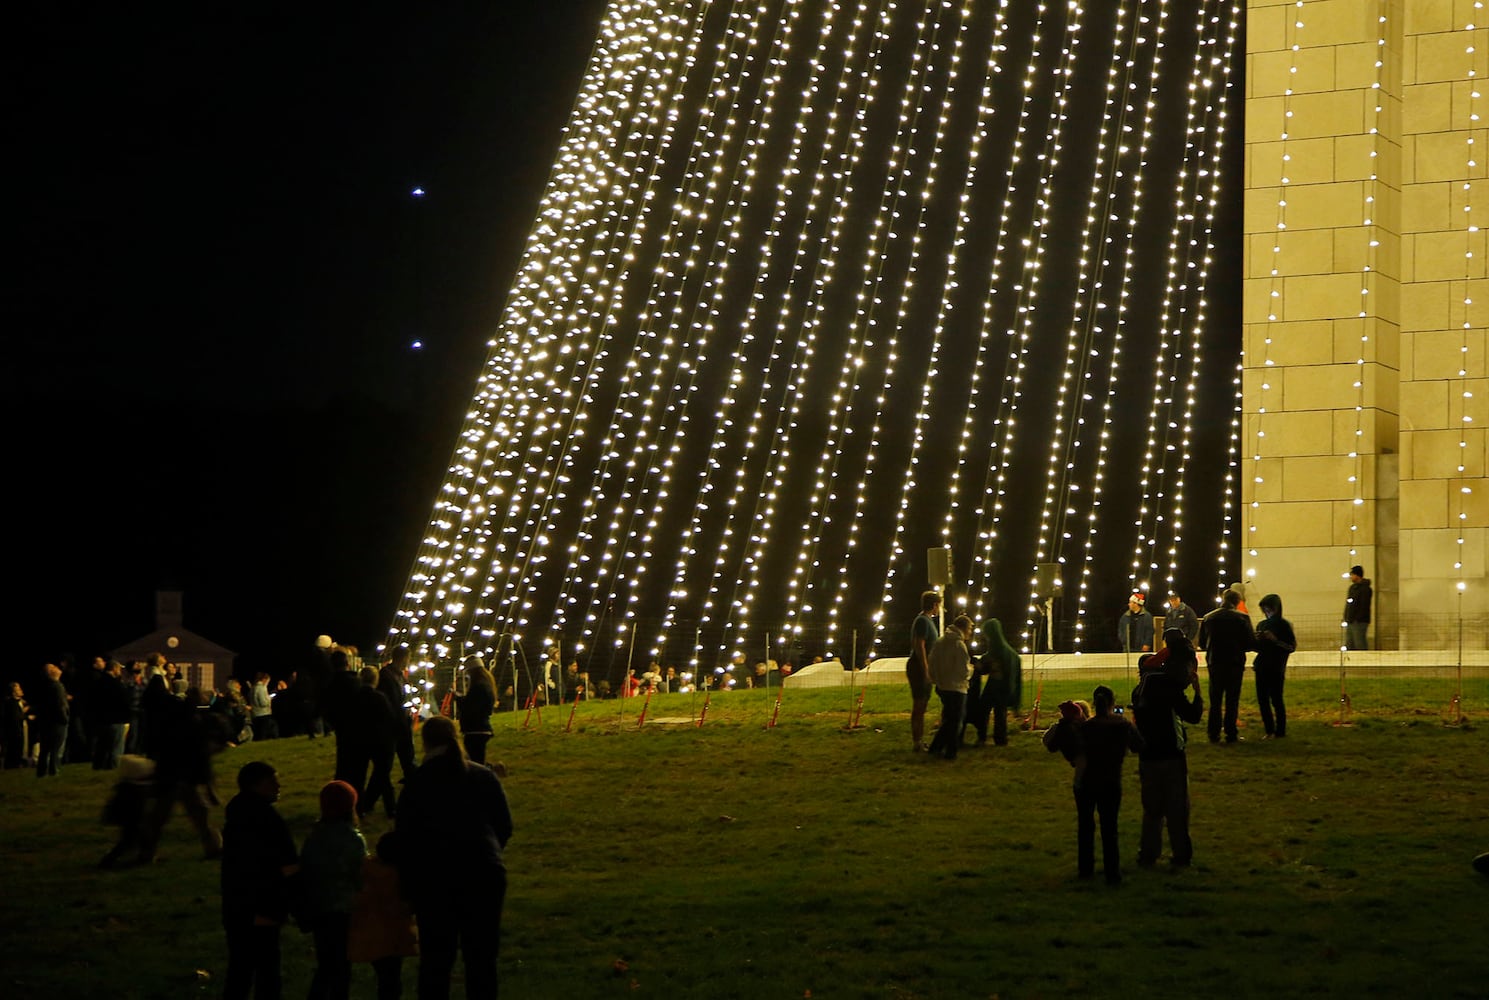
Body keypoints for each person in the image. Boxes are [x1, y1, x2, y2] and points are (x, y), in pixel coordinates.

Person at [395, 716, 513, 1000]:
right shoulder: (481, 775)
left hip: (434, 878)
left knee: (436, 961)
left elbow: (405, 837)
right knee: (481, 960)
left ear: (425, 743)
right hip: (483, 871)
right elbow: (504, 824)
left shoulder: (417, 782)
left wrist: (409, 885)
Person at [220, 761, 299, 1000]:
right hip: (263, 905)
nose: (278, 786)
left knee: (240, 968)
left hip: (236, 907)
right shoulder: (268, 820)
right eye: (272, 781)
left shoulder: (236, 815)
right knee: (267, 970)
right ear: (256, 785)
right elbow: (286, 865)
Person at [1130, 649, 1204, 868]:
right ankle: (1181, 855)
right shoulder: (1169, 690)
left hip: (1148, 757)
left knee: (1152, 810)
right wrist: (1196, 690)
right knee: (1177, 810)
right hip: (1172, 756)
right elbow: (1192, 715)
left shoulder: (1138, 692)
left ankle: (1148, 854)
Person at [301, 780, 368, 1000]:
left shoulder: (314, 836)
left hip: (318, 905)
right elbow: (359, 875)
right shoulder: (352, 839)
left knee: (326, 962)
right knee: (340, 965)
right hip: (343, 908)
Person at [1074, 686, 1143, 883]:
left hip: (1087, 780)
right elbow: (1139, 746)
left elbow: (1076, 752)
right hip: (1111, 780)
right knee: (1109, 828)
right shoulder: (1122, 725)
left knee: (1085, 826)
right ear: (1113, 704)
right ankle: (1112, 872)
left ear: (1094, 704)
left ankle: (1085, 870)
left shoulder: (1086, 727)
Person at [349, 831, 419, 1000]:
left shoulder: (367, 869)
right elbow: (405, 908)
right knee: (391, 982)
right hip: (392, 939)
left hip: (368, 934)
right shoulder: (398, 879)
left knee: (384, 977)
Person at [1198, 589, 1255, 743]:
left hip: (1215, 662)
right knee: (1232, 699)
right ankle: (1231, 732)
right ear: (1237, 601)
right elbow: (1250, 642)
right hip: (1234, 662)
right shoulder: (1242, 618)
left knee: (1215, 699)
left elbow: (1202, 643)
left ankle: (1213, 733)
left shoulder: (1208, 618)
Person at [343, 667, 399, 820]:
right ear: (376, 680)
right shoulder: (380, 697)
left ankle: (359, 807)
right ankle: (390, 807)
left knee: (359, 776)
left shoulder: (354, 697)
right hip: (379, 741)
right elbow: (390, 718)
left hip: (360, 740)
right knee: (383, 775)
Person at [965, 617, 1021, 747]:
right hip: (996, 687)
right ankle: (998, 739)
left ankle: (988, 738)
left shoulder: (1002, 652)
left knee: (993, 713)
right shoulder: (1000, 651)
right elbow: (986, 667)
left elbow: (987, 667)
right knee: (993, 713)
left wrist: (980, 665)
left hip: (999, 688)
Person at [926, 615, 973, 760]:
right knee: (955, 722)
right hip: (957, 687)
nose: (970, 632)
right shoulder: (959, 645)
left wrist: (935, 679)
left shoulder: (940, 642)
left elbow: (931, 662)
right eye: (970, 628)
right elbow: (963, 670)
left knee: (948, 719)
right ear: (964, 628)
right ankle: (950, 751)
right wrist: (971, 670)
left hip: (942, 686)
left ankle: (937, 747)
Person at [99, 754, 157, 868]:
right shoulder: (134, 793)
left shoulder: (127, 789)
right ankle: (109, 860)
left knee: (137, 840)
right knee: (129, 841)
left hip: (134, 820)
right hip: (134, 821)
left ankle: (145, 857)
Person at [1253, 593, 1296, 739]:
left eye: (1268, 609)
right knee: (1263, 699)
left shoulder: (1283, 625)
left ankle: (1280, 731)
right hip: (1262, 665)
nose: (1266, 613)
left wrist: (1275, 640)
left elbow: (1291, 647)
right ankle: (1269, 729)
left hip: (1276, 666)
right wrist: (1256, 640)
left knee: (1276, 699)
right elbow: (1257, 647)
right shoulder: (1262, 624)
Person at [907, 590, 941, 753]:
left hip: (923, 667)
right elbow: (919, 645)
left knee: (923, 703)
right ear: (934, 605)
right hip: (918, 668)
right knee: (919, 705)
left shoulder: (927, 621)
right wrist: (926, 669)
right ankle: (917, 741)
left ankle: (919, 740)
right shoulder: (922, 621)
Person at [378, 648, 417, 780]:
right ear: (404, 658)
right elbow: (390, 700)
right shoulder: (386, 675)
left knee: (408, 756)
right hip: (392, 723)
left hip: (402, 721)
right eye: (408, 658)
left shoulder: (399, 675)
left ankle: (410, 778)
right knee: (385, 764)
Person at [90, 659, 131, 770]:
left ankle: (98, 767)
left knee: (102, 746)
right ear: (114, 669)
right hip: (116, 719)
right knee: (115, 748)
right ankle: (113, 768)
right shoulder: (116, 684)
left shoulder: (98, 681)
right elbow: (124, 700)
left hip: (102, 719)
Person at [456, 656, 496, 765]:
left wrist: (459, 699)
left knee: (475, 762)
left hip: (476, 729)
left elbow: (470, 708)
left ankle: (492, 772)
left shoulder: (478, 687)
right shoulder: (485, 684)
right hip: (480, 727)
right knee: (476, 759)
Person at [32, 663, 70, 777]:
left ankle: (41, 772)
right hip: (57, 722)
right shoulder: (57, 686)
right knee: (56, 748)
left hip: (46, 722)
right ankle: (54, 770)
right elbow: (60, 705)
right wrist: (65, 718)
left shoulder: (44, 687)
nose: (58, 668)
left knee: (45, 748)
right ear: (51, 673)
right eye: (54, 667)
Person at [1343, 565, 1373, 650]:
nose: (1351, 577)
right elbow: (1348, 604)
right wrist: (1346, 616)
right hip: (1351, 620)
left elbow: (1364, 605)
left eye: (1352, 575)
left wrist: (1357, 618)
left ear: (1357, 575)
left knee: (1359, 643)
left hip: (1359, 621)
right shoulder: (1352, 588)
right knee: (1349, 643)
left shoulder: (1365, 589)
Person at [250, 672, 278, 741]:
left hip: (255, 714)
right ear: (264, 679)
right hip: (263, 714)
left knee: (259, 734)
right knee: (264, 734)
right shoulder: (261, 688)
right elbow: (263, 702)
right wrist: (269, 698)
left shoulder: (253, 688)